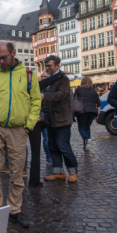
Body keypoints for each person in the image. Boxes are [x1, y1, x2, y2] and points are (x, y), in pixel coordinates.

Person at [0, 42, 41, 228]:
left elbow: (36, 101)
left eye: (4, 57)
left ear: (14, 53)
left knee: (17, 173)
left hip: (18, 129)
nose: (1, 61)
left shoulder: (29, 75)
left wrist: (28, 126)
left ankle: (14, 209)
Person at [42, 55, 78, 184]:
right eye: (46, 66)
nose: (47, 68)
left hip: (62, 118)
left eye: (49, 66)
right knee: (53, 146)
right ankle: (58, 172)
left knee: (64, 146)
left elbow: (61, 95)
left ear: (57, 66)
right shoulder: (50, 79)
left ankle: (73, 172)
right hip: (50, 118)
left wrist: (43, 96)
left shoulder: (63, 79)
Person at [27, 70, 65, 188]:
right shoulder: (35, 86)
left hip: (21, 120)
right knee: (35, 151)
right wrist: (60, 74)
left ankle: (21, 176)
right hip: (35, 120)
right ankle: (34, 181)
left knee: (19, 151)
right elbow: (48, 81)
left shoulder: (15, 86)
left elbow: (48, 81)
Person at [75, 77, 101, 150]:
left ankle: (86, 139)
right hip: (92, 112)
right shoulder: (93, 90)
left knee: (81, 128)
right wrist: (98, 113)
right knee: (87, 127)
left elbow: (75, 100)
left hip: (82, 111)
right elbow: (98, 102)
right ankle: (86, 145)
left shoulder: (79, 90)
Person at [39, 71, 52, 165]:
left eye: (45, 76)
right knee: (46, 138)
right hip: (42, 116)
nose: (43, 78)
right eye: (42, 76)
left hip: (51, 115)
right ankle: (49, 156)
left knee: (50, 138)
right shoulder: (38, 87)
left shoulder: (52, 87)